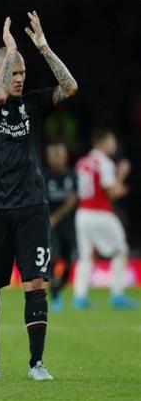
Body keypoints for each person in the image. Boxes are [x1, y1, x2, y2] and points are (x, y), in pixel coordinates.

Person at [0, 12, 78, 381]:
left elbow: (71, 88)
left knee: (35, 283)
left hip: (31, 206)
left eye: (21, 74)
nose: (17, 79)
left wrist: (43, 49)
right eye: (12, 72)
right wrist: (11, 50)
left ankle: (36, 363)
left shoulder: (32, 104)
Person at [73, 128, 138, 309]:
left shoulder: (83, 162)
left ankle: (79, 297)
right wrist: (122, 174)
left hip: (83, 214)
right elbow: (112, 192)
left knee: (85, 256)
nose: (114, 144)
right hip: (100, 213)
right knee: (121, 250)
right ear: (103, 143)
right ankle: (117, 295)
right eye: (112, 141)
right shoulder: (104, 162)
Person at [43, 142, 77, 312]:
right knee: (54, 257)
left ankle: (58, 288)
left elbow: (73, 200)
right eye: (53, 156)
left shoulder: (72, 175)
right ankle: (54, 294)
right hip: (50, 225)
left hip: (68, 225)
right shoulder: (44, 176)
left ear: (66, 157)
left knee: (69, 262)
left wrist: (56, 216)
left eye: (60, 156)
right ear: (48, 158)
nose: (56, 159)